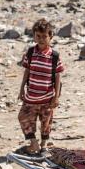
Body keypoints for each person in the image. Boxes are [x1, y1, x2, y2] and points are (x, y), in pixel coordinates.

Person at [18, 18, 64, 154]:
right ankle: (33, 143)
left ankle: (43, 146)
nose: (41, 39)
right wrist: (21, 89)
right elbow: (27, 71)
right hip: (31, 96)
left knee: (46, 123)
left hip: (47, 98)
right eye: (38, 36)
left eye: (45, 36)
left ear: (51, 37)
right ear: (34, 36)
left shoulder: (54, 56)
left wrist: (56, 97)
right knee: (23, 117)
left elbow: (57, 77)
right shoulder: (31, 53)